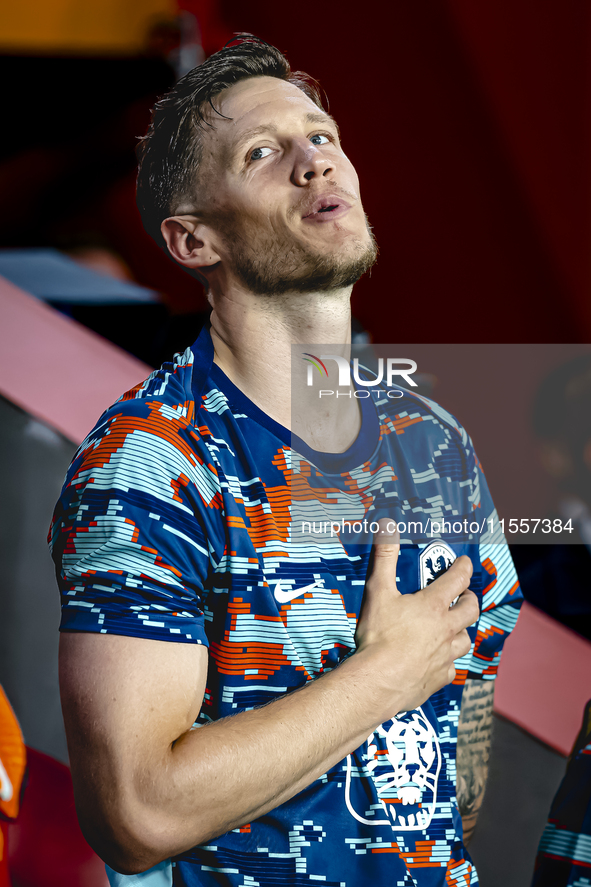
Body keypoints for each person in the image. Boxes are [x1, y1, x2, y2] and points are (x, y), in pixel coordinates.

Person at [50, 36, 522, 887]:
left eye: (322, 136)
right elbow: (136, 814)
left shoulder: (434, 440)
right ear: (194, 241)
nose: (313, 161)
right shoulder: (152, 462)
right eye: (262, 153)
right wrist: (383, 673)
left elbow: (462, 734)